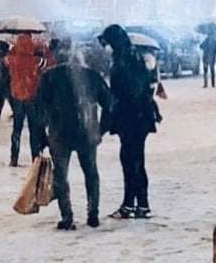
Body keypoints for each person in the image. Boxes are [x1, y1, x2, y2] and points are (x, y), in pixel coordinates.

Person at [37, 42, 112, 230]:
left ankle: (67, 216)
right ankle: (93, 212)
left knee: (61, 176)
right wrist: (101, 128)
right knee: (91, 172)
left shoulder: (48, 77)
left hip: (59, 132)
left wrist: (40, 135)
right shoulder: (91, 76)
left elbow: (39, 109)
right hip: (86, 131)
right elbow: (109, 103)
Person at [100, 24, 160, 219]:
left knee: (132, 161)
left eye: (107, 42)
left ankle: (135, 204)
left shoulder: (125, 60)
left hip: (132, 117)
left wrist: (114, 108)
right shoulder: (130, 56)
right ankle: (137, 204)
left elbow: (129, 91)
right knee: (133, 160)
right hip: (137, 117)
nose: (105, 46)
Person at [6, 33, 46, 167]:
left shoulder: (11, 59)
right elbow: (46, 64)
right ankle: (35, 157)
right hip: (32, 97)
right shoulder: (35, 60)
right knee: (33, 129)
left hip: (17, 96)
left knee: (16, 129)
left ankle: (14, 157)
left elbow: (5, 61)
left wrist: (12, 50)